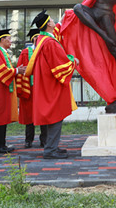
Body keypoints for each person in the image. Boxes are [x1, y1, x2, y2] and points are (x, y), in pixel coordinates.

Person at [25, 10, 77, 159]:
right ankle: (50, 150)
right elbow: (59, 64)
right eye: (52, 20)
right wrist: (73, 61)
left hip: (46, 84)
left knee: (54, 118)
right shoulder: (49, 43)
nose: (54, 21)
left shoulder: (42, 39)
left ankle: (51, 146)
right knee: (55, 117)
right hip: (52, 85)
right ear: (48, 24)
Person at [0, 29, 26, 154]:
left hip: (2, 89)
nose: (11, 41)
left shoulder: (3, 53)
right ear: (2, 40)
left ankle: (1, 144)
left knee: (2, 118)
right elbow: (0, 72)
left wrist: (15, 70)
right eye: (9, 38)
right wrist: (17, 71)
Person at [16, 28, 47, 148]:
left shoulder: (44, 50)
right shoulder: (25, 52)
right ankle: (28, 140)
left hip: (42, 89)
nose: (37, 39)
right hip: (29, 87)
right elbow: (21, 69)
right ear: (32, 39)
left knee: (43, 115)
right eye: (35, 37)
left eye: (39, 37)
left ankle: (44, 140)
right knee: (29, 115)